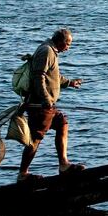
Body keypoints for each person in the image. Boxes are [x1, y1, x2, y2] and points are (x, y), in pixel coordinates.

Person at [18, 27, 85, 182]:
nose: (69, 47)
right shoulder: (46, 51)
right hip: (40, 105)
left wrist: (70, 83)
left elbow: (53, 76)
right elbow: (38, 76)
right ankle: (23, 174)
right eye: (68, 44)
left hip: (46, 104)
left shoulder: (51, 51)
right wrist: (45, 98)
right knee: (35, 138)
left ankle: (63, 165)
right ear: (61, 41)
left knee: (62, 122)